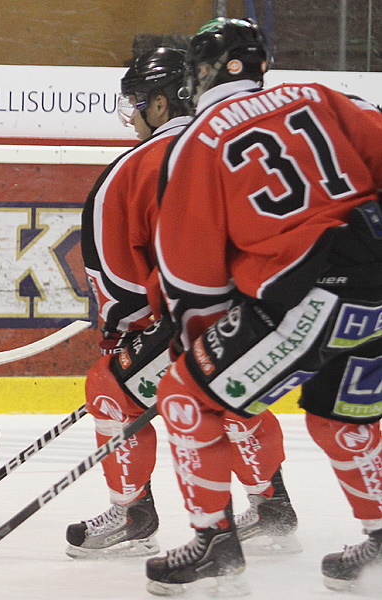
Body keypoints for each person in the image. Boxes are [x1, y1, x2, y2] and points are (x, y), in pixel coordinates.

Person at [147, 17, 382, 595]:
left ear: (201, 74)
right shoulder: (322, 96)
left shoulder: (198, 141)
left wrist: (194, 342)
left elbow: (188, 270)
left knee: (183, 395)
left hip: (312, 290)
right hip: (375, 280)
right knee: (338, 412)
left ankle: (214, 543)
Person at [66, 45, 297, 560]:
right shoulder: (236, 142)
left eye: (140, 102)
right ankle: (270, 504)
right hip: (272, 308)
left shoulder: (135, 167)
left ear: (164, 104)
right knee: (229, 385)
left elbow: (119, 284)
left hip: (189, 312)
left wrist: (121, 329)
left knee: (110, 384)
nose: (133, 116)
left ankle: (131, 512)